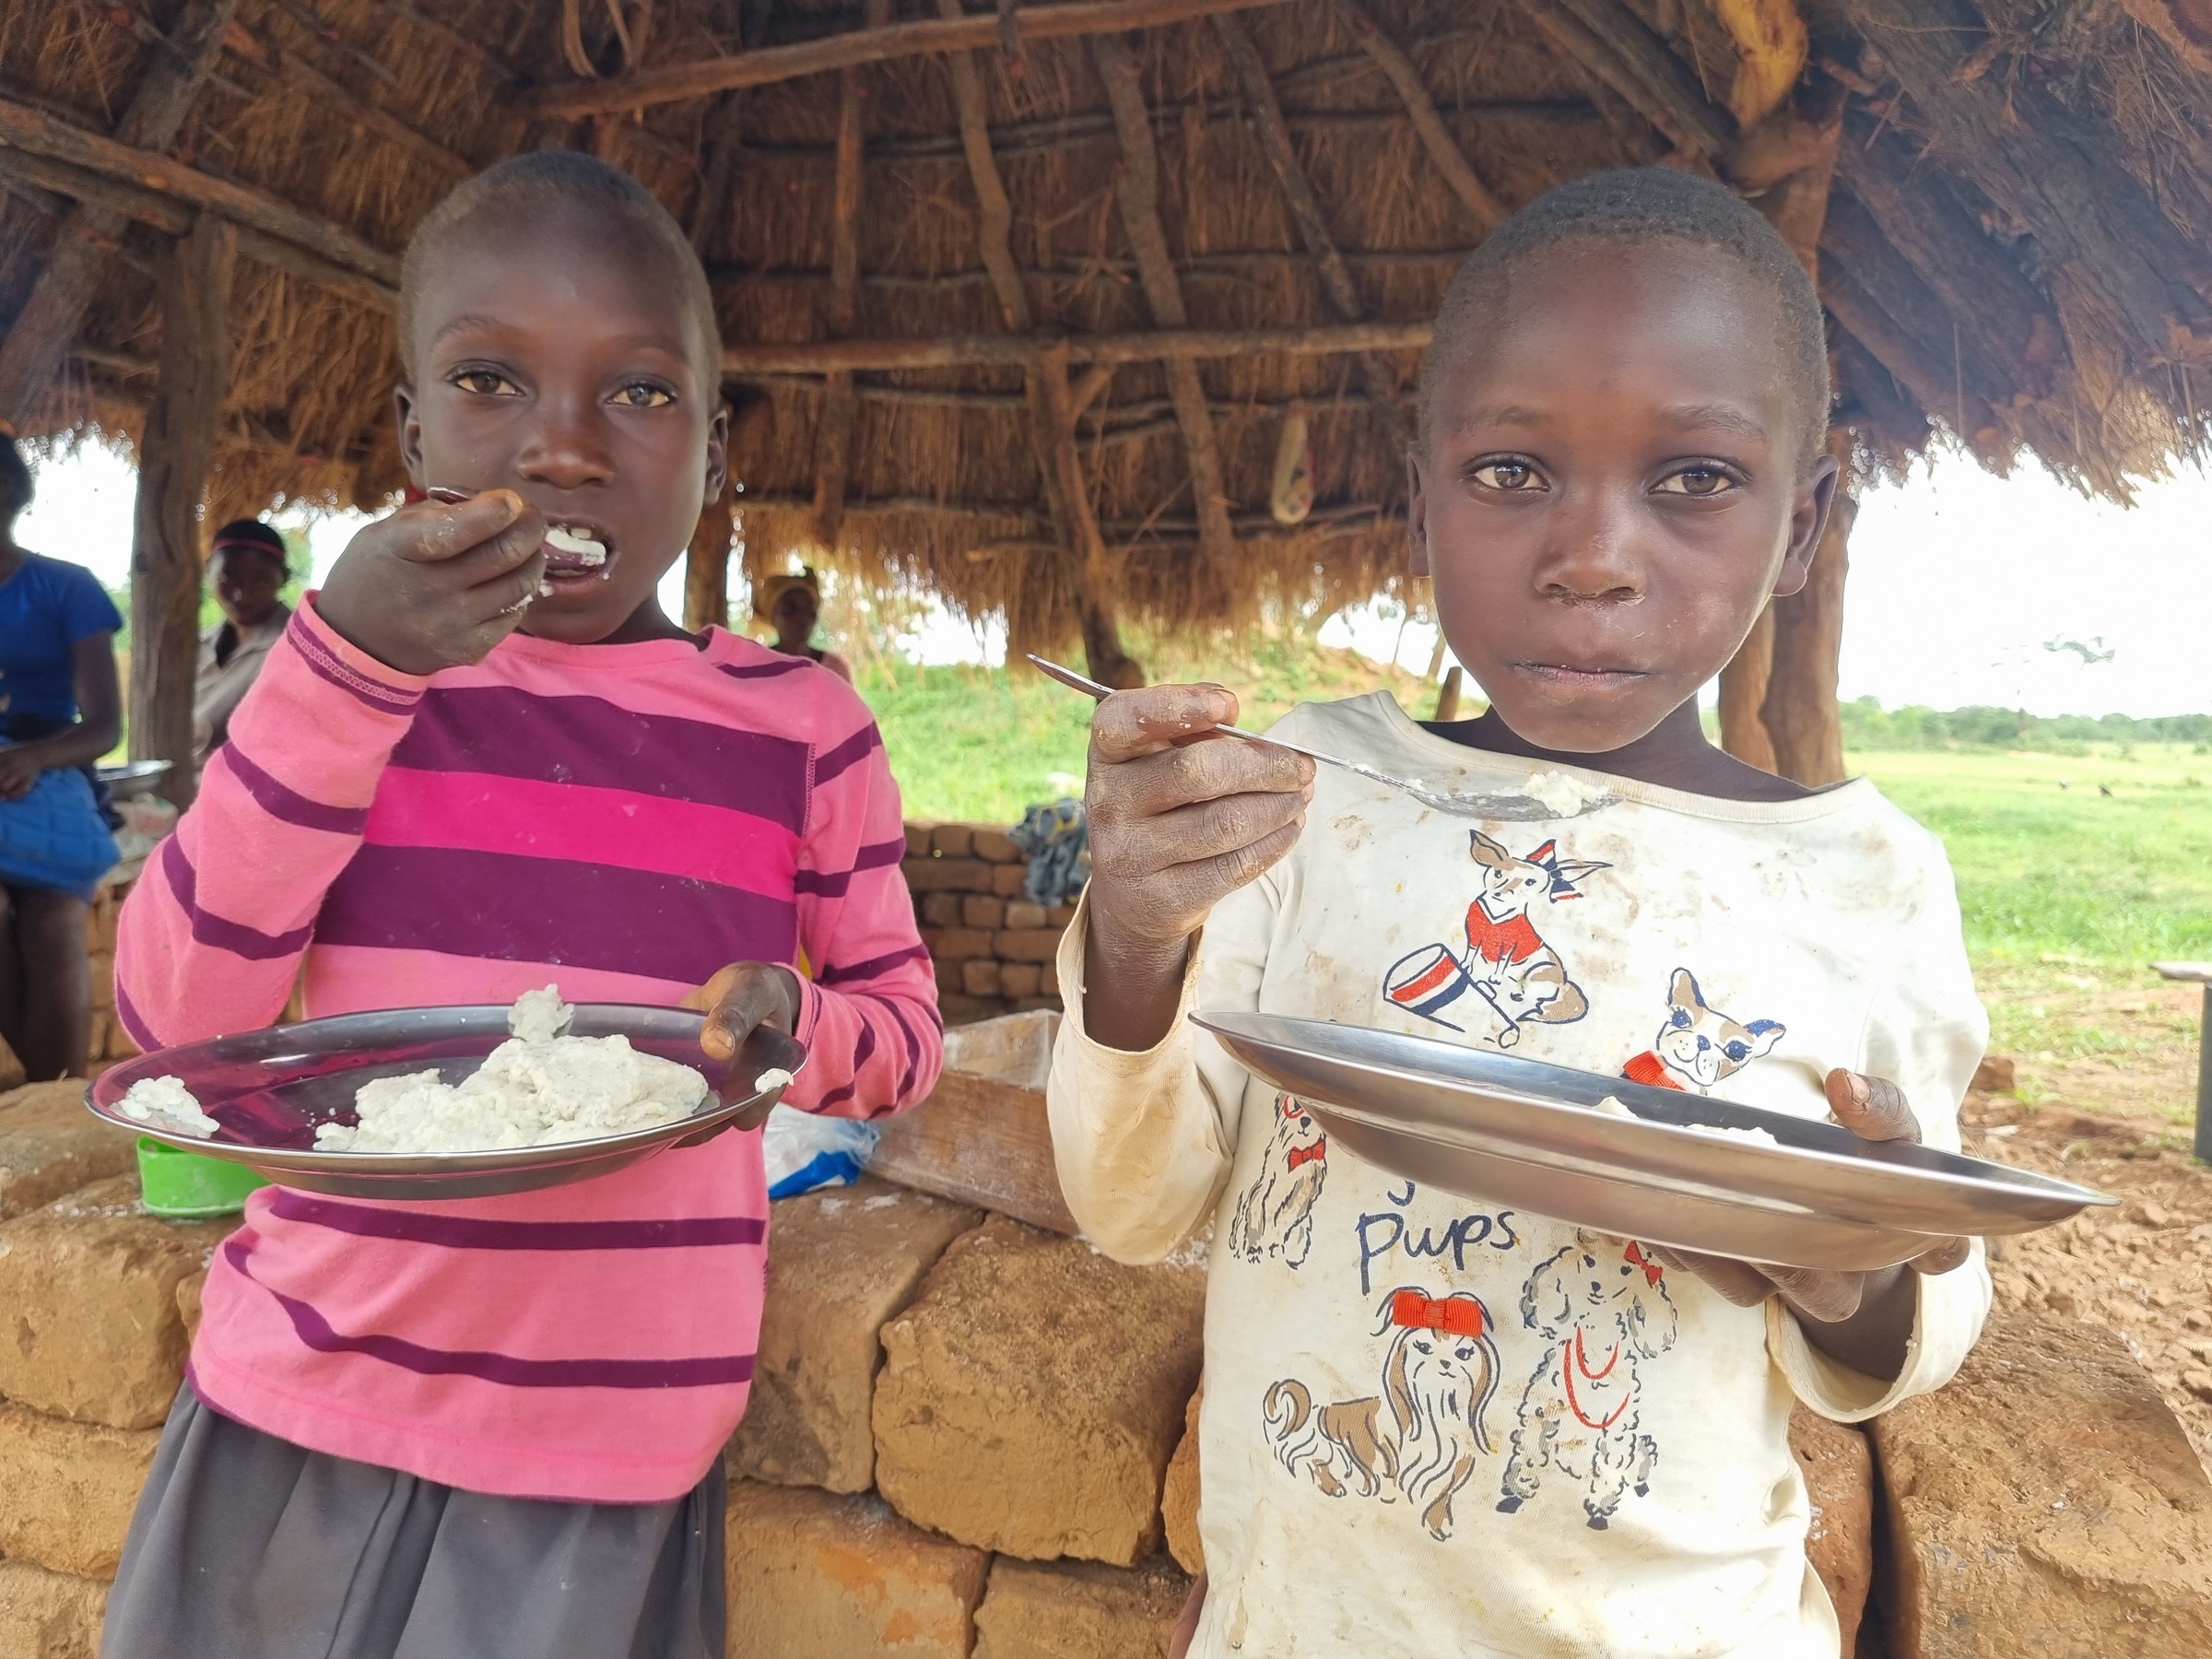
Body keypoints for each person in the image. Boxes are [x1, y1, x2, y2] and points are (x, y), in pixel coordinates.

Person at [1050, 169, 1989, 1659]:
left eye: (1694, 478)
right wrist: (1134, 942)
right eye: (1510, 473)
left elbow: (1909, 1326)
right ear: (1419, 499)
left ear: (1802, 528)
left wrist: (1850, 1272)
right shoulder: (1309, 798)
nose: (1594, 556)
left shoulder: (1862, 883)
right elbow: (1133, 1202)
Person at [104, 152, 941, 1659]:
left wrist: (795, 1023)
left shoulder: (803, 727)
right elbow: (179, 1028)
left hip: (598, 1475)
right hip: (300, 1412)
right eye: (491, 381)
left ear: (713, 443)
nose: (563, 446)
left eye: (637, 393)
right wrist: (344, 670)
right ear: (412, 431)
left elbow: (902, 1038)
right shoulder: (351, 690)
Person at [0, 433, 123, 1080]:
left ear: (10, 494)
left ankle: (56, 1092)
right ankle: (36, 1087)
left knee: (53, 927)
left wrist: (33, 758)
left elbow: (103, 725)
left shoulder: (65, 588)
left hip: (48, 777)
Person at [194, 517, 292, 764]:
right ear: (208, 570)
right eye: (228, 577)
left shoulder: (296, 646)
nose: (241, 593)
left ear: (284, 578)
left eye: (260, 580)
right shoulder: (197, 646)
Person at [756, 566, 853, 682]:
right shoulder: (758, 667)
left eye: (809, 609)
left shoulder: (835, 669)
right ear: (772, 617)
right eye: (789, 609)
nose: (802, 618)